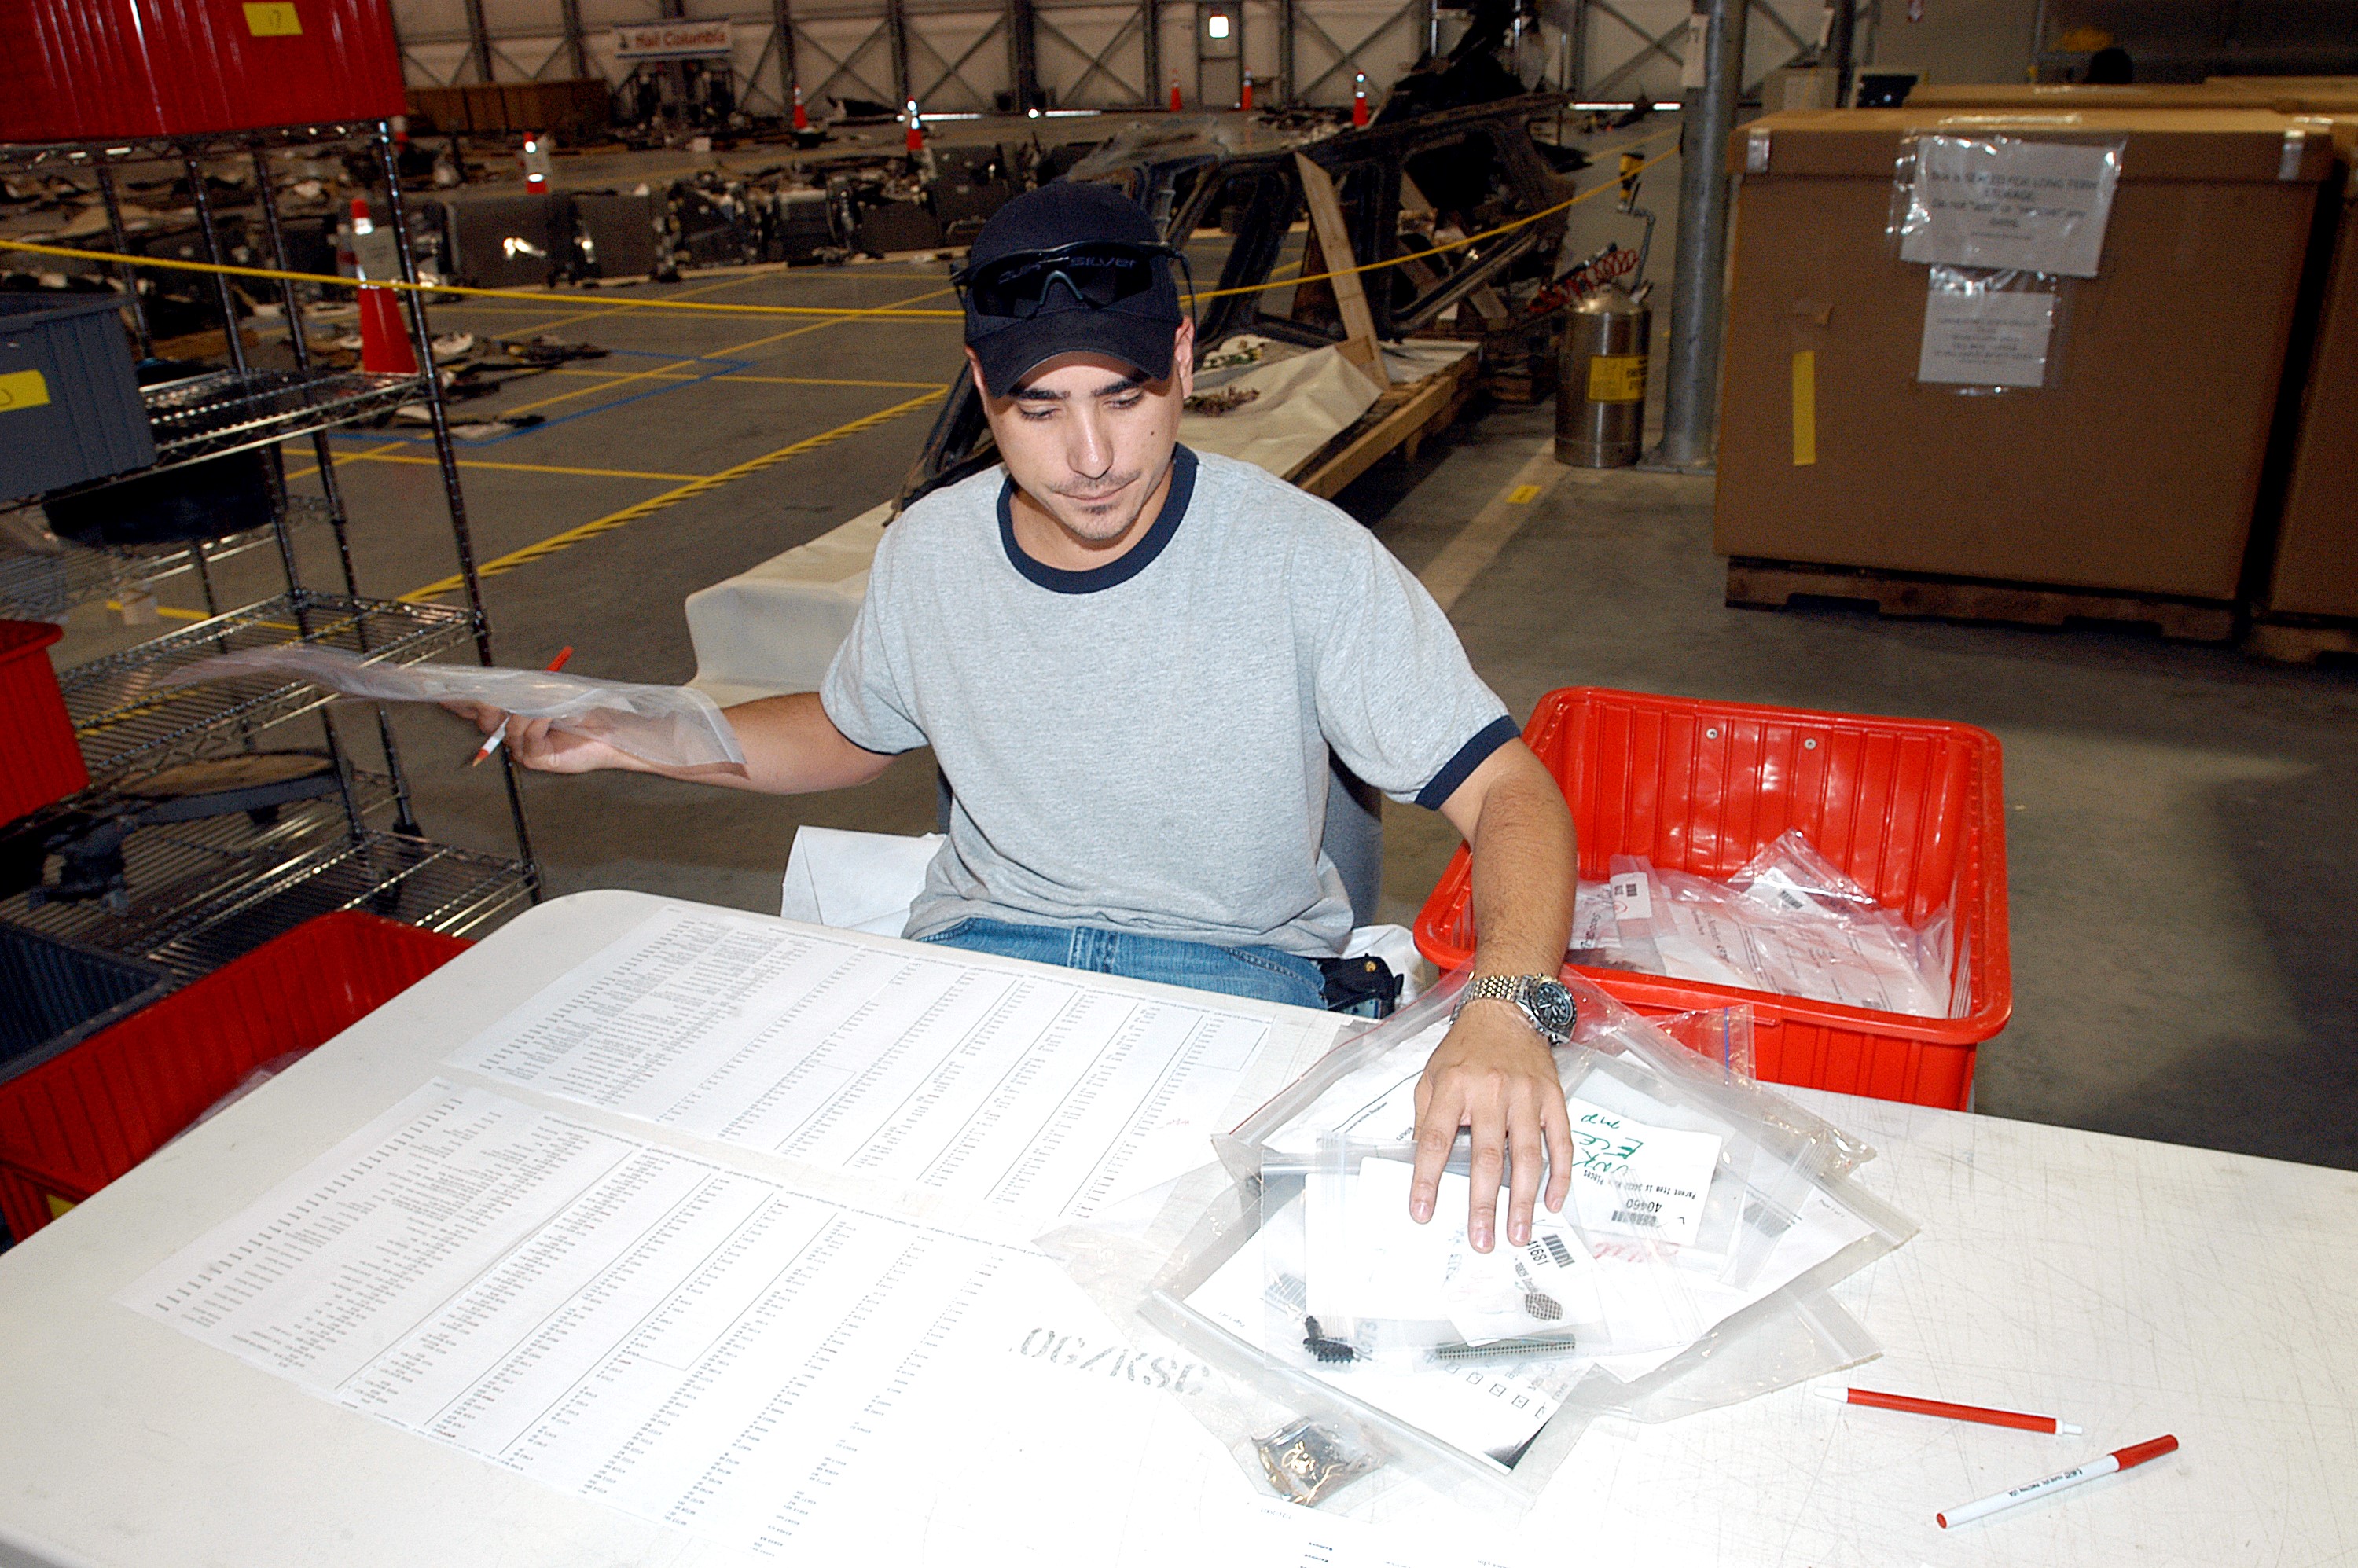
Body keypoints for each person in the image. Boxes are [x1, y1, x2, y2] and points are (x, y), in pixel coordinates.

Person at [459, 181, 1579, 1253]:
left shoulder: (1303, 558)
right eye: (1039, 410)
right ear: (982, 388)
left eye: (1125, 399)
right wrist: (628, 732)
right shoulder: (931, 554)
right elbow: (849, 736)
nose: (1090, 460)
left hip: (1232, 973)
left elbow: (1510, 792)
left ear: (1183, 361)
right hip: (983, 965)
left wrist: (1509, 1006)